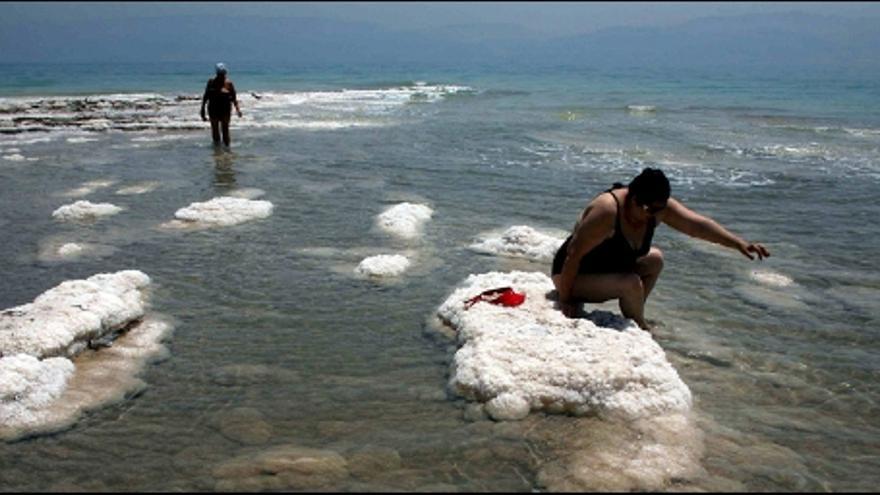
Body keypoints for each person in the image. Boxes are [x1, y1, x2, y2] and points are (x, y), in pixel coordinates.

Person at [551, 167, 770, 331]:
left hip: (607, 269)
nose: (655, 215)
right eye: (650, 209)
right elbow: (573, 256)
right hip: (572, 276)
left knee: (655, 259)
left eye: (660, 209)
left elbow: (697, 226)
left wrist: (738, 243)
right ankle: (640, 327)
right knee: (630, 283)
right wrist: (567, 300)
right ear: (634, 199)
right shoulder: (607, 211)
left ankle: (633, 315)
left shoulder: (656, 208)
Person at [200, 63, 242, 147]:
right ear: (216, 73)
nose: (221, 76)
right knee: (215, 130)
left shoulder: (229, 83)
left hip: (225, 110)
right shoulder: (211, 82)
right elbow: (205, 96)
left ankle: (227, 151)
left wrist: (238, 109)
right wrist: (202, 110)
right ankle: (217, 151)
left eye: (223, 74)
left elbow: (234, 98)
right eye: (220, 74)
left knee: (225, 130)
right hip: (213, 109)